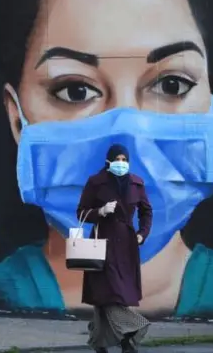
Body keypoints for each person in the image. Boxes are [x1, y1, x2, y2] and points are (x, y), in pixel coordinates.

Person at [0, 0, 213, 318]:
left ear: (211, 104)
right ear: (17, 119)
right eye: (75, 90)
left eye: (172, 84)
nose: (125, 132)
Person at [77, 144, 151, 353]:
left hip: (128, 245)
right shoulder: (95, 182)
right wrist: (100, 211)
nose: (121, 163)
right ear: (109, 161)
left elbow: (147, 211)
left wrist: (142, 234)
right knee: (110, 292)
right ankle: (133, 329)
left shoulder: (136, 183)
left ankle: (100, 343)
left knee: (107, 296)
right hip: (102, 243)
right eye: (117, 159)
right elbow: (81, 212)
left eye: (124, 159)